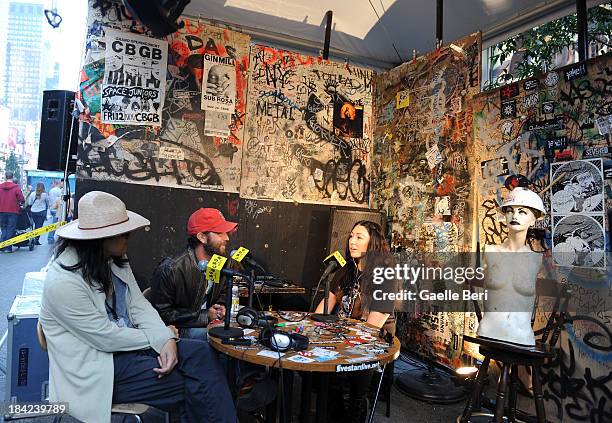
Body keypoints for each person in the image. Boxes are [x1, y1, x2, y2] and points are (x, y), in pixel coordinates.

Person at [39, 191, 238, 423]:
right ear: (102, 237)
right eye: (123, 233)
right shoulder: (63, 281)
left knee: (202, 354)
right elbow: (105, 337)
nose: (130, 237)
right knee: (195, 384)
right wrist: (162, 336)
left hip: (127, 349)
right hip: (100, 367)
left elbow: (139, 305)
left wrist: (165, 340)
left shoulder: (112, 259)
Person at [314, 220, 396, 423]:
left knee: (342, 381)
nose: (352, 241)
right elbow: (325, 307)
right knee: (315, 373)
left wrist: (340, 345)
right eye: (351, 236)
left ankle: (354, 410)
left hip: (370, 343)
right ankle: (335, 412)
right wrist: (313, 332)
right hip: (341, 338)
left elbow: (371, 328)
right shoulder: (345, 271)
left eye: (359, 237)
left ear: (373, 243)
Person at [150, 208, 237, 339]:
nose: (227, 237)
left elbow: (223, 292)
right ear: (201, 237)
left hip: (211, 324)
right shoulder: (172, 268)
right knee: (223, 340)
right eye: (220, 233)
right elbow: (162, 314)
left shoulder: (221, 262)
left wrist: (221, 306)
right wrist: (205, 315)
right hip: (181, 330)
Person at [477, 186, 545, 346]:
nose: (515, 216)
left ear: (534, 219)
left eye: (522, 212)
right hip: (489, 331)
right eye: (510, 211)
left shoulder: (536, 259)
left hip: (522, 337)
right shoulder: (490, 251)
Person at [0, 171, 25, 253]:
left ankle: (2, 246)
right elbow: (21, 199)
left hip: (1, 211)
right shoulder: (16, 187)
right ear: (12, 177)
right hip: (13, 211)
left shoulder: (0, 187)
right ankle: (8, 247)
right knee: (11, 228)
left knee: (3, 228)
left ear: (5, 177)